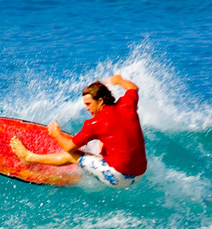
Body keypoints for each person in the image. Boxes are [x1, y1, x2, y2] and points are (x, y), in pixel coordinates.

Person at [10, 74, 147, 188]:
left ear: (100, 101)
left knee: (73, 155)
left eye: (88, 104)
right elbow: (133, 88)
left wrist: (56, 134)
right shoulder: (126, 105)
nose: (86, 108)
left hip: (119, 178)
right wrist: (119, 81)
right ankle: (94, 163)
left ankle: (28, 157)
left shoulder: (95, 123)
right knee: (102, 142)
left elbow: (69, 148)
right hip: (139, 174)